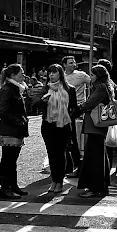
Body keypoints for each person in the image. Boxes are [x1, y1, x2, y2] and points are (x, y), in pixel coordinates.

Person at [34, 64, 78, 193]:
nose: (51, 75)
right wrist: (43, 101)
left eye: (54, 72)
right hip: (48, 125)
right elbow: (35, 105)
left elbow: (74, 108)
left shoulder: (69, 89)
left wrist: (67, 117)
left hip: (63, 126)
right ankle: (54, 180)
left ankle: (59, 181)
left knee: (61, 154)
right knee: (51, 154)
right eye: (49, 73)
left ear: (60, 74)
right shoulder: (45, 89)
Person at [76, 64, 113, 198]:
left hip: (96, 126)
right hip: (99, 126)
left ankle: (95, 188)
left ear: (98, 76)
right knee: (99, 156)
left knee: (94, 158)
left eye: (92, 74)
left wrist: (79, 108)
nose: (90, 77)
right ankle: (100, 187)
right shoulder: (104, 86)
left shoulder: (100, 88)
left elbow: (89, 104)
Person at [0, 64, 29, 200]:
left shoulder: (16, 89)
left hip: (15, 129)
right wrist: (18, 121)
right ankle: (5, 188)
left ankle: (13, 186)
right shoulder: (8, 89)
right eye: (21, 72)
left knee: (12, 160)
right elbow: (2, 111)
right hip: (9, 130)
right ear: (13, 75)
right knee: (7, 160)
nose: (23, 75)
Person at [62, 56, 91, 177]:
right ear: (64, 65)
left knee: (77, 139)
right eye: (70, 63)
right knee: (66, 139)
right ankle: (67, 166)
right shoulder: (61, 77)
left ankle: (78, 166)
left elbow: (95, 81)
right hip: (63, 111)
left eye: (74, 62)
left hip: (78, 110)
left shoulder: (81, 75)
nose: (73, 64)